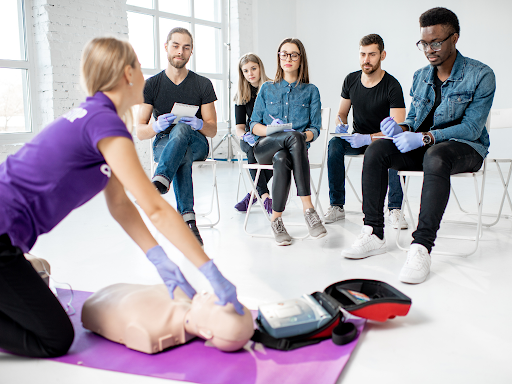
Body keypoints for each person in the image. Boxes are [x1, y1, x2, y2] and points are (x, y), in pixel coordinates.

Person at [0, 37, 243, 358]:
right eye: (140, 68)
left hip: (8, 236)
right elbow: (154, 208)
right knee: (55, 338)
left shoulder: (94, 117)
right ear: (128, 73)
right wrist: (211, 271)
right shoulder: (104, 122)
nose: (144, 75)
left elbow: (120, 204)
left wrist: (161, 262)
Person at [341, 8, 495, 284]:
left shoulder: (481, 74)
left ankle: (421, 246)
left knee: (436, 155)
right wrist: (400, 128)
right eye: (424, 43)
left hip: (465, 148)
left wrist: (425, 137)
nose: (429, 50)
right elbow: (413, 119)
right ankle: (373, 233)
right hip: (427, 145)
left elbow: (472, 128)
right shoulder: (421, 76)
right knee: (377, 150)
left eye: (435, 42)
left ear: (454, 38)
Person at [136, 27, 218, 247]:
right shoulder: (151, 85)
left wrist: (200, 124)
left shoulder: (202, 84)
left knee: (182, 130)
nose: (180, 51)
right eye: (175, 46)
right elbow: (139, 131)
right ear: (166, 47)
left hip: (197, 141)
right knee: (183, 155)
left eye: (186, 47)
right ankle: (189, 222)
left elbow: (212, 130)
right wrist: (155, 126)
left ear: (191, 52)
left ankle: (160, 180)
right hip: (164, 143)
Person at [246, 38, 327, 246]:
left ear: (301, 59)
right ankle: (308, 209)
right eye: (284, 54)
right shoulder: (266, 89)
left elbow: (315, 130)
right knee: (292, 137)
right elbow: (254, 125)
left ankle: (276, 220)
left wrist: (299, 137)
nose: (288, 58)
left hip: (291, 153)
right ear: (279, 58)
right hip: (265, 147)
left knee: (283, 157)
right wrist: (273, 130)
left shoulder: (311, 91)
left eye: (293, 54)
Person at [325, 34, 407, 228]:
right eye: (362, 54)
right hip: (356, 138)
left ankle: (395, 209)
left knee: (398, 146)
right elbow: (342, 113)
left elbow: (399, 128)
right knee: (334, 145)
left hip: (383, 141)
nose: (366, 60)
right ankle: (336, 205)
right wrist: (341, 124)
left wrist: (369, 138)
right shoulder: (351, 80)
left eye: (372, 54)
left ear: (382, 55)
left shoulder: (392, 86)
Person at [82, 284, 254, 354]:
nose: (211, 296)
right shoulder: (183, 292)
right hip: (108, 294)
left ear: (205, 332)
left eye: (215, 305)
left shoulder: (148, 330)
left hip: (98, 305)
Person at [234, 53, 273, 214]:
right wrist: (245, 136)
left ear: (260, 68)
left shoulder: (272, 87)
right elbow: (239, 127)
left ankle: (253, 194)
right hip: (250, 137)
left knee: (274, 154)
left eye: (253, 68)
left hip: (270, 135)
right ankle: (264, 196)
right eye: (245, 71)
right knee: (252, 149)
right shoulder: (241, 94)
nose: (250, 73)